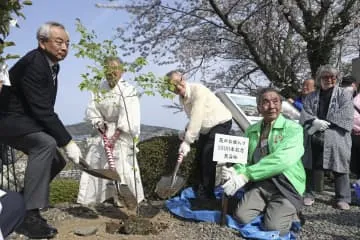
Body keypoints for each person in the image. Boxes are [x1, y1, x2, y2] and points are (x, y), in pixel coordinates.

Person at [0, 22, 82, 238]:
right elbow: (43, 110)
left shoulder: (52, 65)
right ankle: (28, 215)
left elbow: (43, 109)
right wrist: (68, 141)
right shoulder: (34, 63)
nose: (64, 47)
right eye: (59, 42)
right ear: (42, 43)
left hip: (26, 121)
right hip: (8, 121)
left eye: (67, 43)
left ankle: (21, 204)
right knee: (46, 143)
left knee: (58, 160)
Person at [221, 88, 305, 236]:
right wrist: (236, 171)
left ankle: (292, 213)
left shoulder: (294, 129)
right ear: (259, 107)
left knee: (274, 228)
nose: (271, 106)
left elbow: (282, 160)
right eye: (265, 102)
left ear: (281, 105)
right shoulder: (252, 130)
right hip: (261, 182)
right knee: (241, 217)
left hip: (286, 184)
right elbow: (245, 159)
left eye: (275, 101)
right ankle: (272, 208)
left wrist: (246, 174)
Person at [77, 56, 144, 206]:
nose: (111, 72)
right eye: (108, 69)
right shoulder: (98, 89)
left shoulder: (128, 89)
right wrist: (99, 124)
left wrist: (116, 136)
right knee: (96, 161)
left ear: (122, 71)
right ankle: (97, 198)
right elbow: (92, 109)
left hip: (121, 133)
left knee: (121, 165)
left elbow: (130, 115)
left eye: (115, 69)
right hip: (103, 130)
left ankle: (124, 200)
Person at [166, 70, 232, 199]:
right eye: (172, 87)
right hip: (205, 127)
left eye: (178, 84)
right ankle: (197, 187)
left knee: (208, 155)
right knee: (198, 156)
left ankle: (208, 195)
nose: (177, 89)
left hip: (220, 122)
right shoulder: (182, 98)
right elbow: (193, 118)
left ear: (183, 79)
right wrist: (186, 131)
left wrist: (187, 141)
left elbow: (197, 115)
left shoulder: (198, 90)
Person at [300, 65, 353, 210]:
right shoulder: (311, 96)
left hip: (337, 135)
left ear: (336, 79)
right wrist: (315, 122)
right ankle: (308, 194)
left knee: (340, 167)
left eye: (332, 77)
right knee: (309, 164)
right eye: (325, 77)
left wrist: (326, 123)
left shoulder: (344, 95)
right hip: (314, 133)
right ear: (319, 79)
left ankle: (343, 197)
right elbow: (305, 112)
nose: (329, 80)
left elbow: (346, 115)